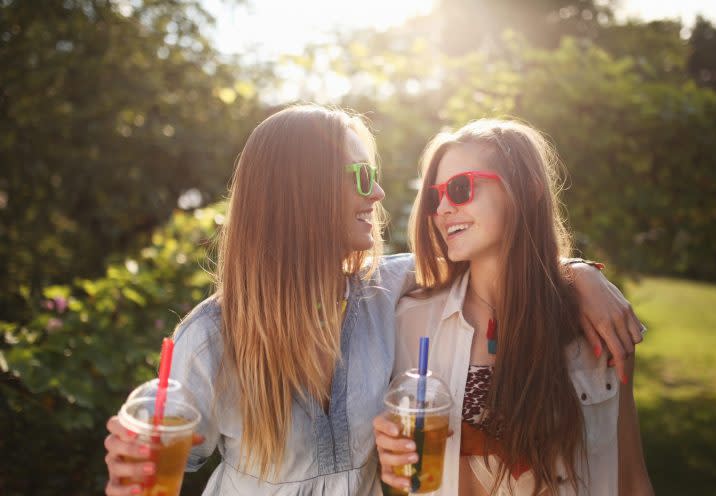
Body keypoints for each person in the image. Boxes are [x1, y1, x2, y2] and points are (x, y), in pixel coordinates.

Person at [102, 105, 643, 496]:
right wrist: (130, 460)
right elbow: (164, 458)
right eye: (362, 177)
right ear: (303, 193)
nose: (378, 195)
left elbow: (501, 258)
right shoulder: (211, 337)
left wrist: (577, 275)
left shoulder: (386, 294)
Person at [374, 119, 653, 495]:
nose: (441, 208)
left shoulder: (598, 322)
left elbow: (631, 476)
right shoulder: (410, 321)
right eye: (434, 196)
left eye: (460, 188)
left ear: (527, 190)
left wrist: (579, 274)